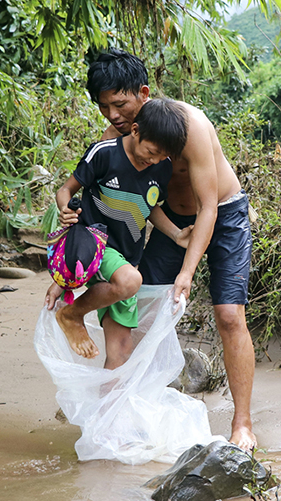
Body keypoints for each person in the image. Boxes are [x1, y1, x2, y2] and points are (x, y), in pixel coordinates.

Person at [49, 48, 257, 451]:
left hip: (223, 214)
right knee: (136, 317)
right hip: (168, 224)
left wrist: (187, 271)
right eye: (104, 106)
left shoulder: (188, 126)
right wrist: (63, 275)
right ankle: (119, 414)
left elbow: (209, 206)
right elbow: (93, 208)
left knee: (229, 316)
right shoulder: (119, 140)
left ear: (142, 93)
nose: (112, 115)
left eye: (120, 104)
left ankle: (243, 423)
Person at [50, 98, 192, 370]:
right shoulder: (104, 153)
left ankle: (104, 412)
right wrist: (65, 207)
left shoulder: (161, 168)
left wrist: (176, 235)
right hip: (94, 244)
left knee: (121, 351)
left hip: (126, 258)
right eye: (151, 152)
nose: (154, 160)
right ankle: (72, 314)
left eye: (162, 157)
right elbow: (65, 190)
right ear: (135, 130)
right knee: (130, 281)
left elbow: (147, 207)